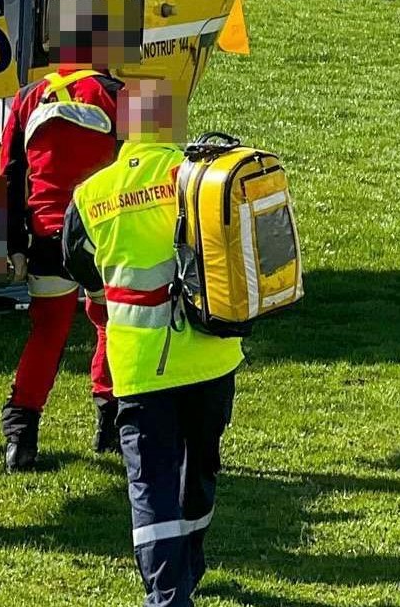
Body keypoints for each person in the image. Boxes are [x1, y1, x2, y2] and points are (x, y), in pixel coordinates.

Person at [64, 79, 242, 607]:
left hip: (140, 368)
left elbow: (81, 270)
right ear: (175, 123)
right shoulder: (202, 179)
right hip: (212, 358)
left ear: (124, 126)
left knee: (150, 485)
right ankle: (188, 570)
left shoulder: (92, 195)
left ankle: (167, 593)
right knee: (199, 471)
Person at [0, 0, 125, 471]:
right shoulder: (123, 94)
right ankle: (111, 424)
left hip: (47, 233)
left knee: (48, 332)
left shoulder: (28, 96)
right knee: (109, 322)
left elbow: (10, 174)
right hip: (104, 233)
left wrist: (13, 243)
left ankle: (20, 437)